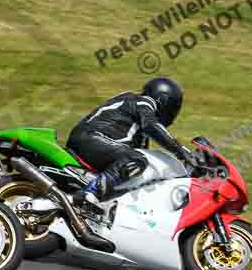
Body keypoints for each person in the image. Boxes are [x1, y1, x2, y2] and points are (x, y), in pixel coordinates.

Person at [67, 77, 198, 208]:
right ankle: (90, 193)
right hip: (91, 138)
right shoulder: (143, 102)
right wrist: (181, 151)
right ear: (163, 100)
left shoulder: (139, 131)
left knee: (138, 167)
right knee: (135, 158)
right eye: (174, 106)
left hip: (93, 141)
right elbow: (152, 125)